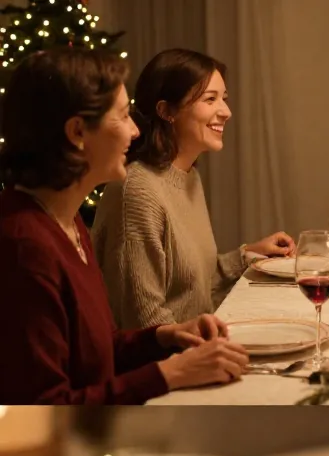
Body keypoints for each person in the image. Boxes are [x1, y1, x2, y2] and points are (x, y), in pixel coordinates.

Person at [0, 48, 250, 405]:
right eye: (122, 117)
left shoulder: (65, 221)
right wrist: (171, 373)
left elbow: (97, 351)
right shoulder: (26, 246)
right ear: (77, 133)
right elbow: (44, 409)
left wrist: (165, 336)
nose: (135, 130)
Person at [93, 49, 296, 329]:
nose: (226, 112)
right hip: (168, 364)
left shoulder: (188, 177)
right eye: (209, 99)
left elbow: (192, 289)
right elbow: (144, 325)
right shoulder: (138, 191)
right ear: (166, 111)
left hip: (195, 348)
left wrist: (247, 255)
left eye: (223, 99)